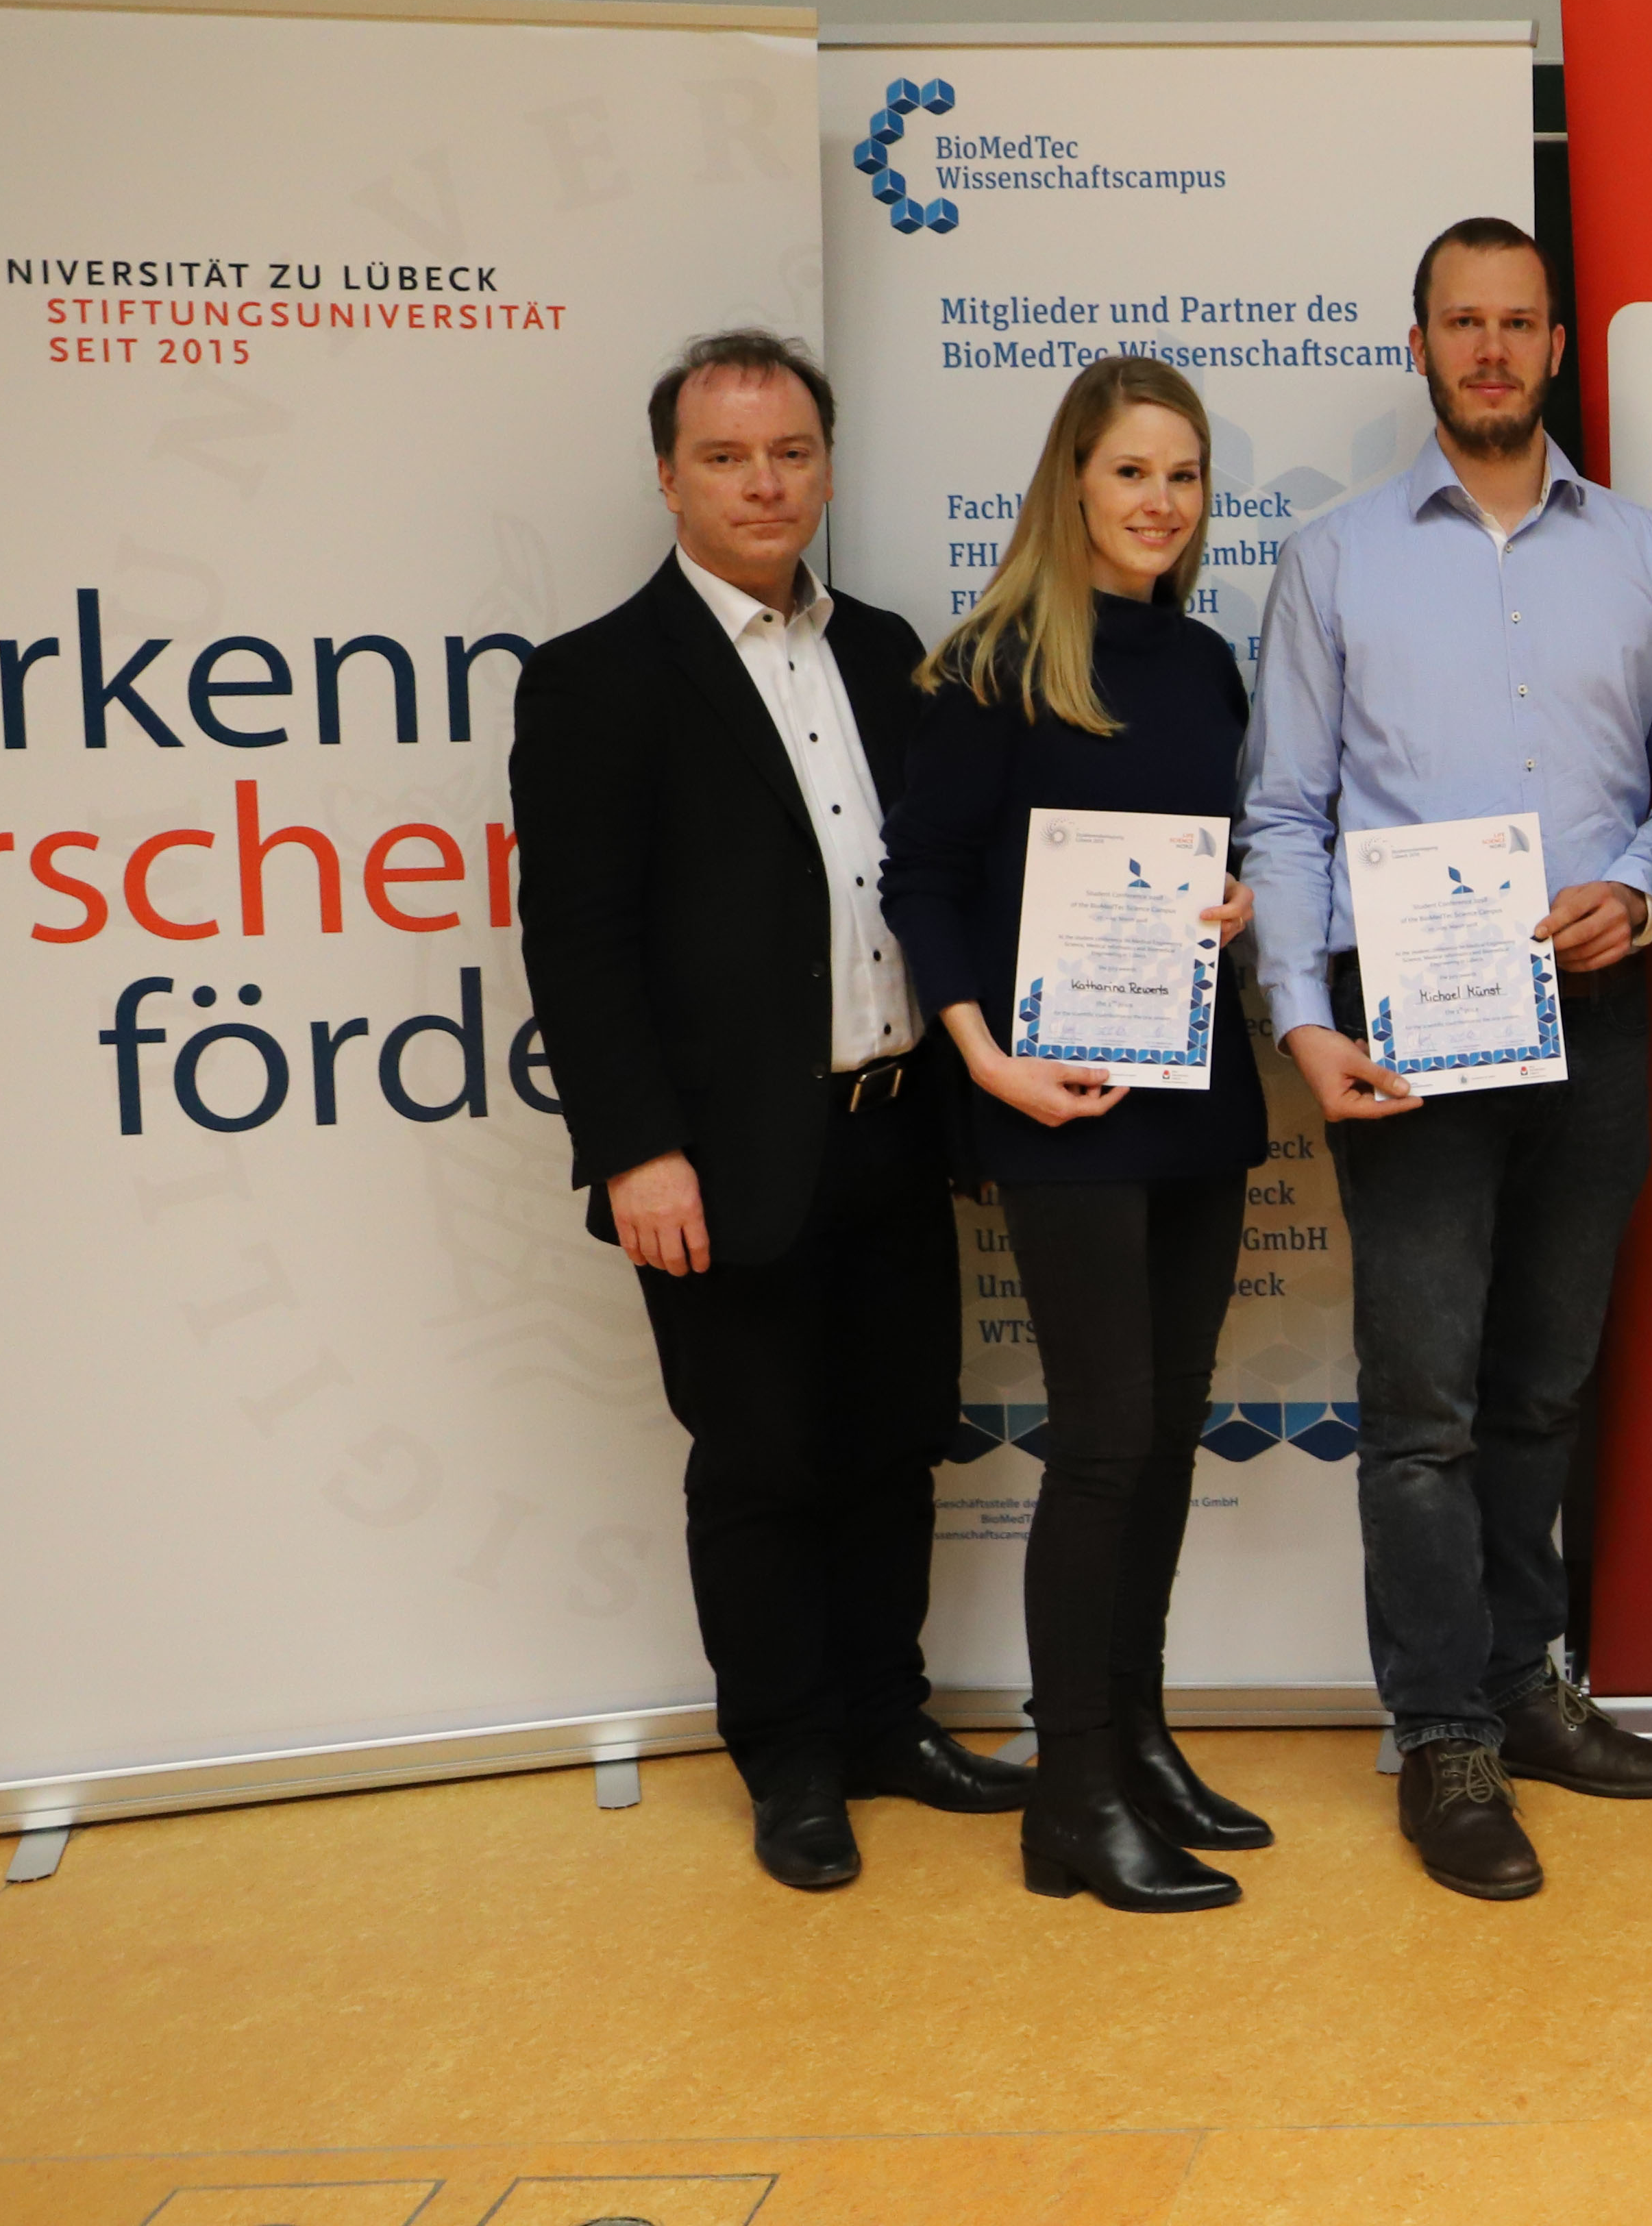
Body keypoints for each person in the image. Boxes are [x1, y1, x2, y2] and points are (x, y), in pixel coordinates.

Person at [511, 331, 1027, 1892]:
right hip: (721, 1152)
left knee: (892, 1443)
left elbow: (945, 878)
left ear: (827, 468)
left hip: (895, 1122)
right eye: (727, 458)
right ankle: (791, 1758)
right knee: (759, 1462)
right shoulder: (597, 677)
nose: (763, 483)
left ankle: (884, 1719)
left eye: (791, 453)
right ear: (668, 478)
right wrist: (634, 1149)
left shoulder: (887, 652)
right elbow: (578, 943)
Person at [1238, 215, 1652, 1903]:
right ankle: (1441, 1732)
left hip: (1595, 1004)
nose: (1493, 349)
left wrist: (1638, 889)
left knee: (1545, 1383)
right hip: (1407, 1017)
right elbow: (1284, 808)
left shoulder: (1647, 555)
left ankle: (1525, 1687)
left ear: (1559, 344)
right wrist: (1305, 1021)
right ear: (1421, 344)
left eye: (1519, 322)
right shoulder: (1336, 559)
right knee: (1424, 1401)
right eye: (1463, 322)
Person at [880, 357, 1268, 1914]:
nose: (1160, 502)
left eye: (1183, 475)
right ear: (1072, 484)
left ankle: (1140, 1741)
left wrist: (1232, 902)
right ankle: (1073, 1795)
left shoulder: (1207, 663)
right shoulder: (989, 664)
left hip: (1194, 1094)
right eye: (1130, 473)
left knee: (1165, 1433)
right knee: (1104, 1443)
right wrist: (989, 1065)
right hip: (1054, 1105)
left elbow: (1209, 855)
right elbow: (921, 880)